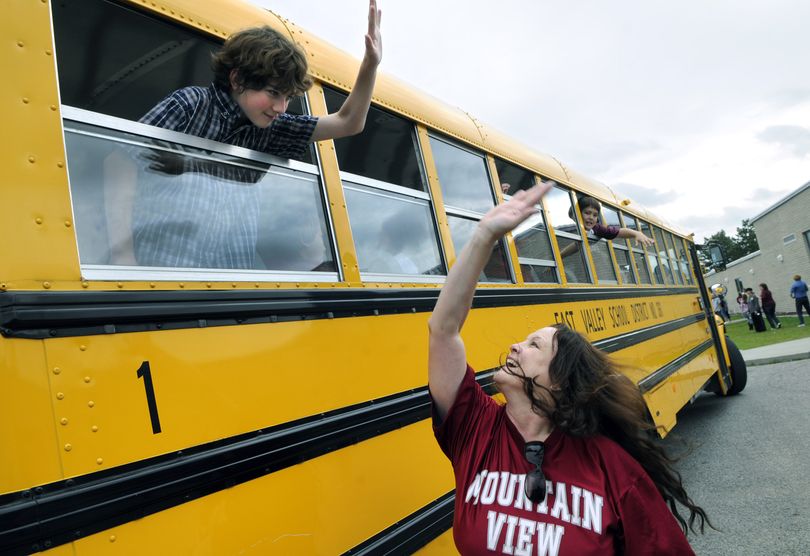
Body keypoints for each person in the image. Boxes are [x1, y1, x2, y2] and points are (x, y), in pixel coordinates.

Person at [428, 182, 710, 554]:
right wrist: (483, 236)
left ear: (562, 379)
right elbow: (443, 330)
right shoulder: (476, 431)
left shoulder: (612, 469)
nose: (515, 346)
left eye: (534, 345)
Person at [109, 1, 383, 268]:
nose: (281, 108)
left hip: (229, 276)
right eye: (274, 93)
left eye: (288, 97)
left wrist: (370, 65)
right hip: (165, 266)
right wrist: (122, 253)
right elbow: (121, 159)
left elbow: (349, 122)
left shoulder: (268, 128)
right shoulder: (190, 104)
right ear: (238, 80)